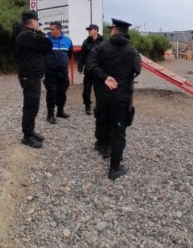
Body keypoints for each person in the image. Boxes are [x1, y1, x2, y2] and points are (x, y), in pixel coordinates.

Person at [86, 18, 141, 180]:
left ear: (115, 30)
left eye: (112, 28)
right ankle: (114, 168)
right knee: (119, 131)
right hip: (121, 97)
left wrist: (104, 77)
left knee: (101, 119)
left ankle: (102, 146)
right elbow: (137, 69)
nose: (110, 30)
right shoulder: (132, 51)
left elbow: (90, 65)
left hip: (103, 95)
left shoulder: (101, 47)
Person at [15, 10, 53, 148]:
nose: (38, 24)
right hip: (29, 76)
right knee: (31, 106)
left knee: (33, 105)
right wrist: (40, 32)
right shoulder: (26, 35)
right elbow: (47, 44)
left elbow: (43, 47)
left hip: (32, 75)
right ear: (33, 21)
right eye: (37, 21)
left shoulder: (29, 36)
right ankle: (27, 136)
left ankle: (30, 131)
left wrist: (38, 33)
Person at [44, 21, 73, 124]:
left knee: (62, 92)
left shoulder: (68, 40)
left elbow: (69, 55)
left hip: (63, 72)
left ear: (59, 29)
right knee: (51, 92)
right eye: (50, 29)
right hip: (50, 72)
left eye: (52, 29)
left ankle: (60, 111)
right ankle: (50, 115)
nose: (50, 31)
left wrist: (63, 64)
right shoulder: (46, 40)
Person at [77, 24, 104, 115]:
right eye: (88, 29)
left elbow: (107, 55)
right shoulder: (86, 42)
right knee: (86, 89)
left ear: (96, 30)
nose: (88, 31)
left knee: (100, 89)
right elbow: (82, 56)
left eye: (90, 29)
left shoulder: (104, 41)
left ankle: (99, 106)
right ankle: (87, 106)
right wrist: (80, 66)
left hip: (100, 70)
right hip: (89, 70)